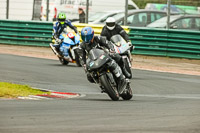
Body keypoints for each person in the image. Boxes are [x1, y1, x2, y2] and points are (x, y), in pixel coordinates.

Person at [79, 27, 129, 94]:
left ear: (92, 35)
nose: (86, 39)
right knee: (89, 76)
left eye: (88, 37)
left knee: (117, 57)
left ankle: (123, 74)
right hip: (94, 60)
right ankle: (102, 84)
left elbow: (108, 43)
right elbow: (81, 57)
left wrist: (111, 49)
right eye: (84, 37)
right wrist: (84, 65)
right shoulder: (82, 45)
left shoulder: (98, 38)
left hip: (105, 55)